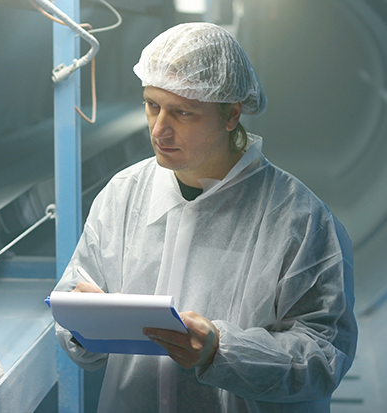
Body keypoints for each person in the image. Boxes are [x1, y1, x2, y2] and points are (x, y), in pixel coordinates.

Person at [53, 22, 357, 412]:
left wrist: (221, 351)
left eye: (182, 112)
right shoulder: (123, 194)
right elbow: (71, 305)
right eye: (152, 105)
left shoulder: (300, 219)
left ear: (231, 115)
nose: (159, 129)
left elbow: (324, 356)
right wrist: (83, 326)